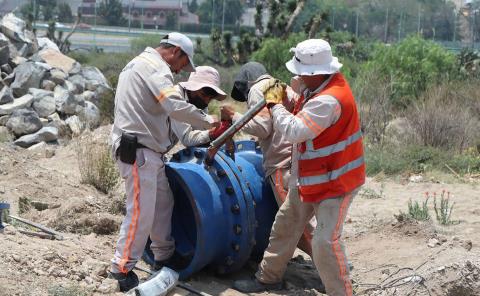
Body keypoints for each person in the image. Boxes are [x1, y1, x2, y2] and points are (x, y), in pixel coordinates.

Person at [233, 39, 365, 296]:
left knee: (324, 242)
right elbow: (300, 108)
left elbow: (295, 130)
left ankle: (341, 292)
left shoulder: (329, 100)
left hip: (336, 183)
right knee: (286, 224)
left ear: (316, 73)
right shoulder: (316, 89)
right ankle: (268, 278)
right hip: (310, 177)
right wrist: (291, 95)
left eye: (301, 72)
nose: (298, 76)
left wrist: (273, 105)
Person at [109, 32, 229, 292]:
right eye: (182, 64)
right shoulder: (155, 68)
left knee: (163, 203)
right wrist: (210, 121)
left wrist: (208, 129)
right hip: (139, 149)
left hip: (147, 151)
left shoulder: (140, 64)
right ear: (175, 52)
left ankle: (164, 256)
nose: (179, 70)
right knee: (140, 212)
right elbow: (173, 106)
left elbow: (182, 130)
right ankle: (122, 268)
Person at [223, 62, 316, 257]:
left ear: (246, 83)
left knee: (296, 224)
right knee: (306, 218)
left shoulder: (257, 89)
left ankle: (328, 269)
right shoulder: (281, 86)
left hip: (281, 164)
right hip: (299, 158)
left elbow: (263, 127)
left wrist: (233, 117)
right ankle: (332, 261)